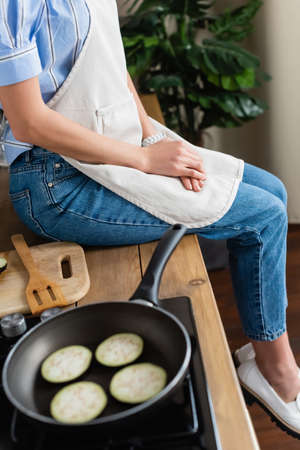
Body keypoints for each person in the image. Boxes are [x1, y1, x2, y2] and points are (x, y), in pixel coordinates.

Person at [0, 0, 299, 438]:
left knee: (273, 190)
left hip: (117, 146)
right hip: (56, 182)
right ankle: (277, 372)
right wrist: (143, 160)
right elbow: (28, 122)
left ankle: (262, 351)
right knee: (266, 216)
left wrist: (150, 132)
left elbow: (108, 62)